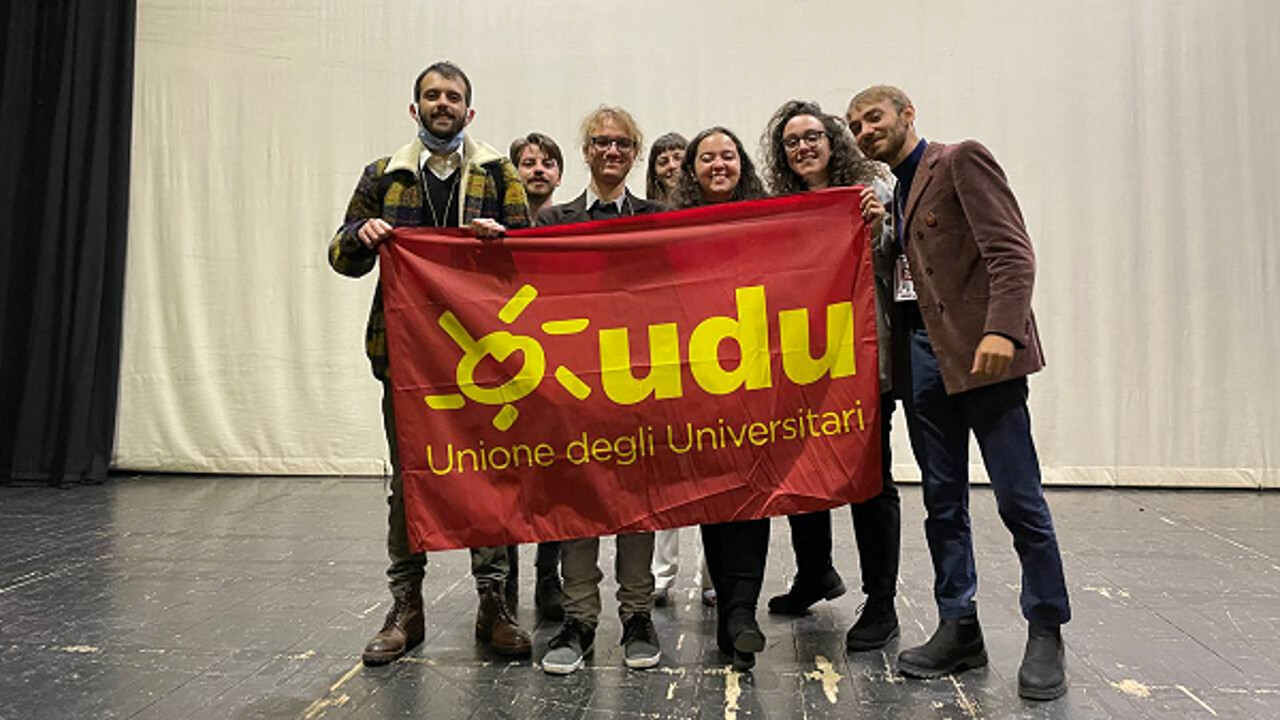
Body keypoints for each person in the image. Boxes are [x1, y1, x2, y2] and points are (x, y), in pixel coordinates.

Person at [847, 85, 1070, 700]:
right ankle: (959, 626)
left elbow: (1012, 254)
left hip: (981, 355)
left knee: (1018, 498)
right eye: (856, 126)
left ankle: (1046, 627)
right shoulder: (894, 194)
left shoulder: (960, 159)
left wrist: (1002, 329)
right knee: (942, 502)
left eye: (874, 118)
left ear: (907, 113)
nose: (865, 131)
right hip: (922, 359)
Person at [328, 61, 534, 666]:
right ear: (414, 108)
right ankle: (406, 606)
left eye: (453, 97)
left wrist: (502, 241)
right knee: (410, 482)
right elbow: (341, 256)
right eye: (432, 96)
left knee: (488, 474)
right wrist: (361, 234)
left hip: (481, 356)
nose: (443, 104)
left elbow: (531, 257)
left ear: (470, 111)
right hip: (407, 358)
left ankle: (493, 603)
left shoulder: (497, 173)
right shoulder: (382, 175)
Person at [759, 100, 903, 652]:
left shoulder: (873, 193)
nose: (803, 147)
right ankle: (815, 572)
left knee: (871, 481)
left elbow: (898, 266)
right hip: (803, 363)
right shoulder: (782, 208)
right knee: (804, 470)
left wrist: (880, 227)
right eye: (792, 141)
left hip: (863, 362)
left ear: (832, 140)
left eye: (812, 136)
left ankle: (882, 601)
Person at [537, 106, 664, 675]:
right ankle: (579, 620)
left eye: (622, 143)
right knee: (579, 503)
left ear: (635, 154)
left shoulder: (659, 219)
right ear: (585, 150)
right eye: (601, 142)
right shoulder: (551, 220)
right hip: (574, 384)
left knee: (639, 503)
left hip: (640, 382)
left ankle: (637, 615)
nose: (612, 151)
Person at [670, 126, 772, 671]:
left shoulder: (769, 218)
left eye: (727, 156)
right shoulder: (670, 226)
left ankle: (742, 613)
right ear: (691, 170)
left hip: (759, 375)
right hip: (698, 380)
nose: (718, 165)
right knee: (715, 495)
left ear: (742, 164)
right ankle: (734, 613)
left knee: (754, 490)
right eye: (706, 157)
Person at [641, 131, 717, 610]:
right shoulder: (644, 219)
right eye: (662, 159)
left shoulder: (709, 213)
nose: (670, 165)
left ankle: (713, 576)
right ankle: (660, 574)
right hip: (661, 355)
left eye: (678, 157)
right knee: (664, 474)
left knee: (712, 473)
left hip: (709, 351)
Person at [506, 132, 567, 619]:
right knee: (504, 477)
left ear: (560, 174)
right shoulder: (492, 226)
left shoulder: (569, 225)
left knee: (555, 479)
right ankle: (502, 582)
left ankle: (550, 578)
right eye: (528, 163)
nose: (538, 170)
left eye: (547, 162)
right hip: (505, 367)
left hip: (556, 367)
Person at [510, 132, 564, 220]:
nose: (539, 169)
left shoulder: (573, 224)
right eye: (529, 164)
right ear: (513, 175)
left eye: (547, 164)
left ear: (559, 178)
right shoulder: (496, 225)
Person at [644, 132, 687, 206]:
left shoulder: (705, 205)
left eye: (678, 158)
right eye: (663, 161)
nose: (672, 165)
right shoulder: (647, 211)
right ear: (654, 174)